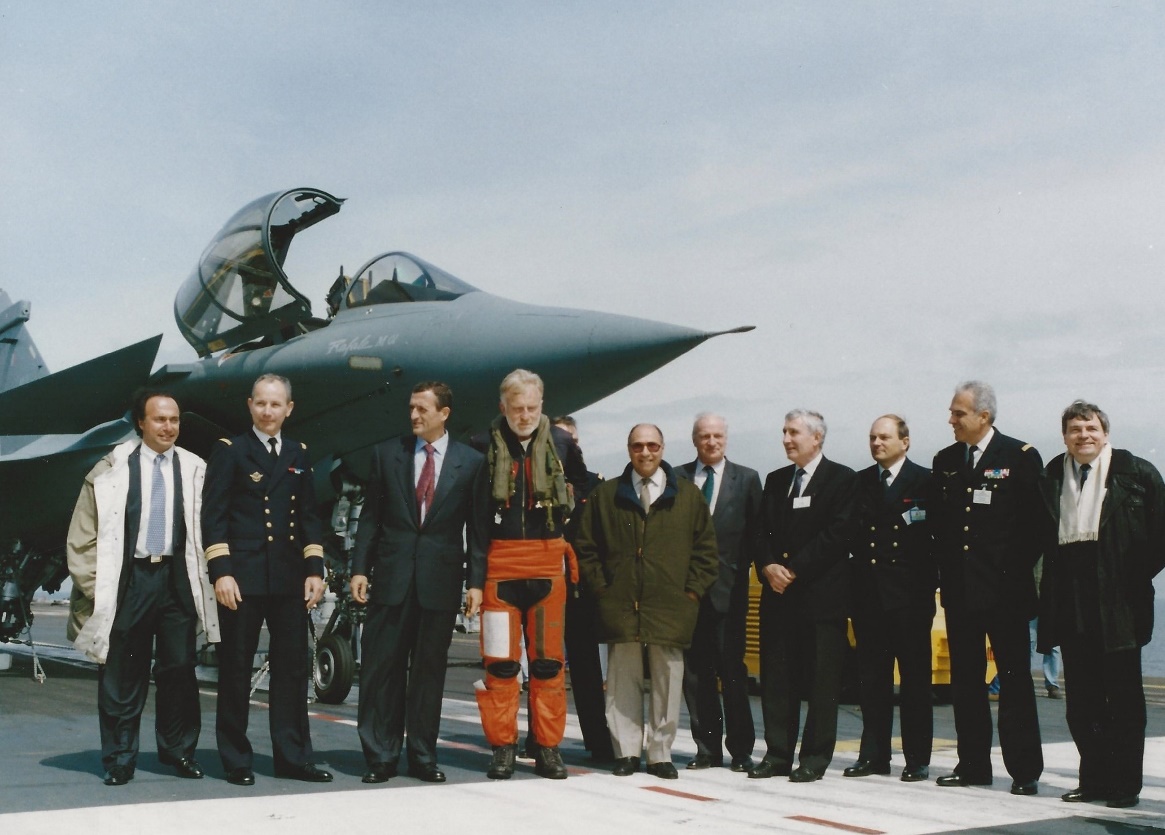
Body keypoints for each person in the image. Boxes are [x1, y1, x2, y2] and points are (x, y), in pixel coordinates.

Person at [67, 389, 219, 786]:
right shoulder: (109, 470)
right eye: (159, 419)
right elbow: (81, 536)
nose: (168, 427)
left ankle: (179, 751)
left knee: (180, 670)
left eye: (174, 420)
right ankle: (120, 758)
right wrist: (96, 587)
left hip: (175, 582)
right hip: (130, 581)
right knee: (122, 672)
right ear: (141, 422)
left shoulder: (195, 468)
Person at [349, 381, 488, 784]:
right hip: (392, 578)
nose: (414, 415)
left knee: (429, 674)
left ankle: (423, 755)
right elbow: (370, 519)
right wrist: (360, 568)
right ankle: (381, 755)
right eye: (411, 408)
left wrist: (475, 582)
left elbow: (478, 530)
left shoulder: (470, 462)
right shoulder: (387, 454)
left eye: (423, 409)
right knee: (382, 670)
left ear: (444, 413)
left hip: (440, 582)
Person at [202, 374, 331, 786]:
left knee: (292, 671)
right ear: (250, 405)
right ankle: (237, 759)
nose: (268, 411)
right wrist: (221, 573)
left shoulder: (298, 453)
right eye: (261, 404)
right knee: (237, 668)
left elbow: (310, 515)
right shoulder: (231, 451)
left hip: (289, 580)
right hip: (242, 580)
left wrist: (315, 570)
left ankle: (293, 757)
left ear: (289, 409)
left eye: (276, 405)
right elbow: (214, 516)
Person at [1036, 400, 1165, 809]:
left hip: (1120, 602)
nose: (1083, 436)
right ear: (1065, 436)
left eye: (1091, 428)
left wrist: (1131, 577)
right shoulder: (1053, 474)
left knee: (1124, 701)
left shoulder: (1137, 473)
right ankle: (1093, 779)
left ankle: (1124, 785)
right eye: (1075, 429)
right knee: (1083, 702)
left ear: (1105, 433)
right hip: (1070, 599)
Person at [575, 424, 718, 779]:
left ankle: (659, 753)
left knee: (668, 682)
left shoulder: (687, 496)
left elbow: (706, 552)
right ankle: (625, 752)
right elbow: (586, 547)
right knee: (622, 682)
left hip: (670, 608)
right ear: (629, 450)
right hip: (620, 605)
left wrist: (691, 593)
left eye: (652, 445)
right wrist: (602, 590)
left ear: (663, 448)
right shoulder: (606, 496)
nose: (645, 452)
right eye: (638, 446)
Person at [473, 369, 588, 780]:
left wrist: (566, 539)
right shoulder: (482, 445)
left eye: (532, 408)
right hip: (499, 571)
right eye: (517, 408)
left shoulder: (561, 443)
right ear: (502, 407)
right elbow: (474, 518)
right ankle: (503, 746)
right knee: (501, 666)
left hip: (546, 569)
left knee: (548, 666)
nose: (524, 415)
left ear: (543, 406)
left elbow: (583, 487)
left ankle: (547, 747)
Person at [930, 380, 1043, 795]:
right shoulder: (945, 459)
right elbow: (943, 527)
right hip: (959, 592)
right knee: (965, 680)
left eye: (958, 413)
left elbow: (1036, 528)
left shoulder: (1020, 457)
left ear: (984, 416)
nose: (951, 420)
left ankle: (1025, 770)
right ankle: (973, 764)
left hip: (1005, 593)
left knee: (1014, 680)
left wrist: (1008, 574)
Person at [751, 409, 857, 783]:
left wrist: (792, 570)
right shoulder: (776, 480)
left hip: (819, 598)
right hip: (778, 596)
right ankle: (777, 754)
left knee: (821, 682)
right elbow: (759, 532)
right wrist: (767, 567)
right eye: (783, 431)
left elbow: (837, 533)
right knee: (778, 679)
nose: (786, 439)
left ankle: (814, 757)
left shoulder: (842, 479)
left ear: (817, 438)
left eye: (793, 432)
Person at [844, 415, 936, 783]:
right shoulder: (861, 482)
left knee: (915, 682)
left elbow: (937, 540)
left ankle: (916, 758)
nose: (877, 443)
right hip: (869, 597)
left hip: (910, 598)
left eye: (884, 437)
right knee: (873, 681)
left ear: (905, 441)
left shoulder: (926, 482)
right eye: (872, 437)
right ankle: (874, 755)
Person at [676, 413, 759, 773]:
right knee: (695, 674)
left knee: (733, 672)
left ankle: (741, 749)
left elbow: (757, 534)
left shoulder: (748, 479)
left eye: (717, 436)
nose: (711, 442)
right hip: (689, 594)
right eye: (705, 436)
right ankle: (706, 748)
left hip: (730, 592)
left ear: (726, 439)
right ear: (695, 439)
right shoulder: (676, 478)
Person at [553, 415, 614, 763]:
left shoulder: (595, 485)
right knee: (543, 667)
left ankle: (597, 738)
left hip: (578, 589)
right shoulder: (535, 481)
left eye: (571, 440)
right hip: (543, 583)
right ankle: (541, 737)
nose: (567, 446)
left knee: (587, 668)